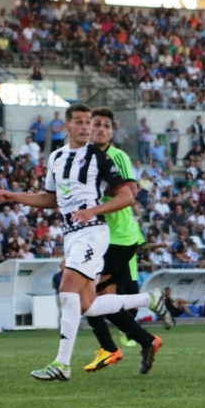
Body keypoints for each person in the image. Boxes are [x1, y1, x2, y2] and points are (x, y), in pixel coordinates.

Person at [0, 103, 170, 382]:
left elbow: (127, 196)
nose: (86, 127)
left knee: (66, 288)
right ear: (67, 126)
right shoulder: (57, 158)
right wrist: (15, 196)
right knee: (86, 304)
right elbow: (51, 199)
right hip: (71, 234)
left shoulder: (99, 157)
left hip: (93, 233)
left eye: (89, 122)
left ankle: (62, 364)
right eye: (81, 122)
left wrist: (92, 211)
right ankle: (151, 299)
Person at [82, 107, 167, 377]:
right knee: (102, 300)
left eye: (107, 126)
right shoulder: (80, 157)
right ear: (87, 127)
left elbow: (130, 191)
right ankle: (147, 341)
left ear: (112, 131)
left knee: (86, 293)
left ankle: (111, 346)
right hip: (95, 236)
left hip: (119, 237)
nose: (102, 129)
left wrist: (98, 187)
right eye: (97, 124)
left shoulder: (116, 156)